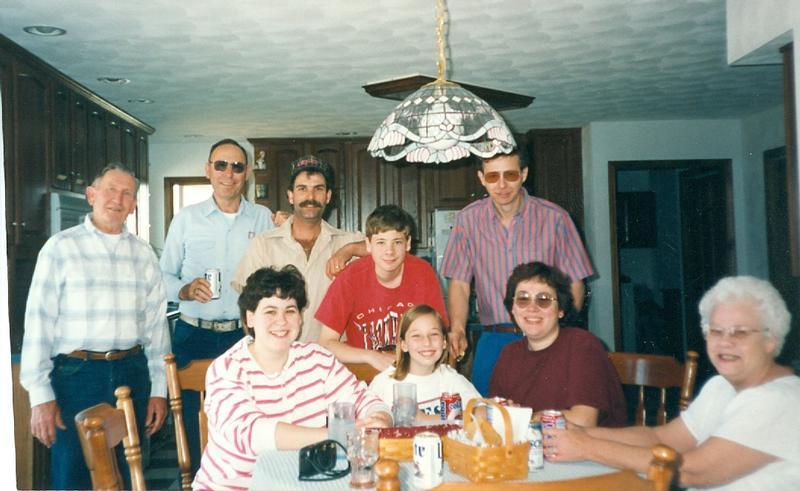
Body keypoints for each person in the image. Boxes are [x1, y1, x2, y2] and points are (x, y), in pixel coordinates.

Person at [545, 276, 800, 489]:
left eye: (740, 332)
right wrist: (580, 433)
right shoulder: (721, 387)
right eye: (716, 331)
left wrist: (587, 446)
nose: (725, 342)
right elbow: (662, 437)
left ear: (771, 340)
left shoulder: (781, 400)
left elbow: (692, 471)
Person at [19, 164, 171, 490]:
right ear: (91, 195)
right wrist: (40, 396)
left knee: (130, 474)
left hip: (132, 375)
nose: (118, 199)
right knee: (73, 476)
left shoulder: (144, 254)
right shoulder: (60, 248)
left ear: (134, 205)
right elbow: (38, 323)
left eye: (127, 193)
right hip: (76, 377)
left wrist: (159, 390)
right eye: (110, 190)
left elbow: (157, 328)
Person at [192, 266, 391, 491]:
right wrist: (335, 436)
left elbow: (363, 398)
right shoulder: (227, 369)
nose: (281, 321)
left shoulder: (318, 359)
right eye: (270, 311)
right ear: (250, 317)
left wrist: (379, 417)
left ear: (300, 318)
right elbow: (251, 435)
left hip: (302, 484)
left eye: (290, 310)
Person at [160, 138, 276, 471]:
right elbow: (162, 276)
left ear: (247, 173)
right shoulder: (186, 218)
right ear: (208, 170)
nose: (229, 173)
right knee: (194, 427)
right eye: (221, 165)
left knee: (249, 421)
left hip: (244, 338)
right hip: (193, 336)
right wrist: (184, 290)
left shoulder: (262, 218)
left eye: (237, 167)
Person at [440, 150, 594, 395]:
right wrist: (457, 328)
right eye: (493, 177)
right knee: (486, 413)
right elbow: (459, 282)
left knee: (547, 411)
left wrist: (563, 329)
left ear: (524, 174)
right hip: (494, 340)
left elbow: (575, 282)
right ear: (481, 178)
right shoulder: (467, 220)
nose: (502, 185)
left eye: (510, 175)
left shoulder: (555, 218)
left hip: (545, 337)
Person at [232, 155, 363, 342]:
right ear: (291, 196)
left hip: (332, 354)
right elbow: (249, 305)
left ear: (328, 196)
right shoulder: (264, 244)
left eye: (318, 189)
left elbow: (394, 249)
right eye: (302, 189)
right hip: (281, 352)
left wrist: (349, 250)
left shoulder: (347, 241)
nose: (310, 197)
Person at [489, 262, 626, 427]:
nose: (532, 308)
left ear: (560, 310)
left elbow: (583, 421)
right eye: (523, 299)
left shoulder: (583, 346)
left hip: (586, 443)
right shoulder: (509, 353)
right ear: (513, 308)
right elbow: (493, 414)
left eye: (544, 300)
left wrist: (523, 417)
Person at [316, 205, 448, 371]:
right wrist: (371, 356)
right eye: (381, 242)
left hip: (414, 371)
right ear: (368, 244)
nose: (389, 251)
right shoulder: (350, 277)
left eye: (397, 242)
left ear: (408, 244)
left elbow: (440, 334)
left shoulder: (423, 273)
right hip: (364, 375)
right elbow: (326, 343)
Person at [369, 304, 480, 422]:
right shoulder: (384, 383)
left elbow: (482, 412)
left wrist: (426, 419)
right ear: (404, 345)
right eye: (416, 336)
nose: (427, 342)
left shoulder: (450, 378)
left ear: (444, 342)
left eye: (434, 334)